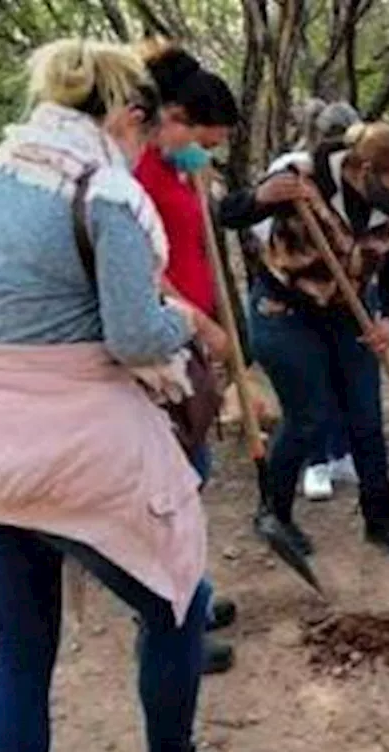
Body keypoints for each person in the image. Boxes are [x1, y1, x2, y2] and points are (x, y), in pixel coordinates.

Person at [0, 39, 273, 752]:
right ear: (124, 116)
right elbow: (135, 336)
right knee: (177, 605)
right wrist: (186, 317)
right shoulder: (101, 191)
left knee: (17, 660)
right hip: (79, 450)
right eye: (142, 126)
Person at [220, 121, 389, 558]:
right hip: (283, 313)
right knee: (308, 416)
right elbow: (228, 213)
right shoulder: (301, 181)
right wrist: (261, 196)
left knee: (366, 417)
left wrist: (388, 321)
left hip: (349, 316)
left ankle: (380, 520)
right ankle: (273, 513)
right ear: (363, 169)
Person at [133, 42, 242, 675]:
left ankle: (193, 598)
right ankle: (171, 623)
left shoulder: (179, 170)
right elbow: (147, 269)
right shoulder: (141, 171)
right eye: (206, 137)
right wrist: (198, 322)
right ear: (174, 118)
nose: (210, 150)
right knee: (174, 485)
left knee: (193, 477)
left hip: (194, 335)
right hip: (167, 339)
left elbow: (198, 247)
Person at [270, 100, 364, 502]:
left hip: (347, 289)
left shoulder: (360, 171)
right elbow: (263, 232)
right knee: (315, 382)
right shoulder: (291, 171)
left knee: (345, 375)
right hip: (298, 293)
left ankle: (342, 453)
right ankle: (316, 461)